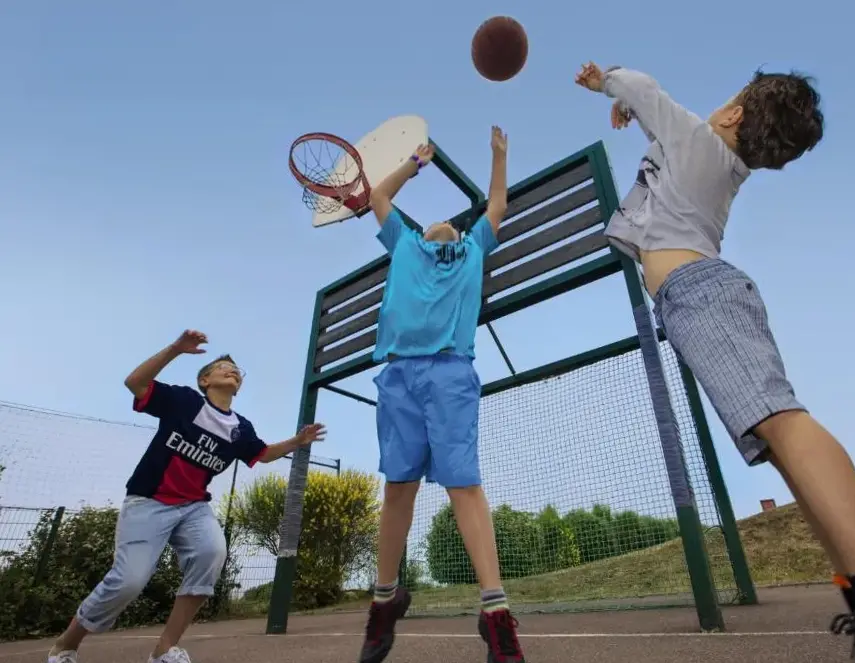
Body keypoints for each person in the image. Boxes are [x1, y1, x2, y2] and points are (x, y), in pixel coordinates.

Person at [575, 62, 855, 662]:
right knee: (777, 440)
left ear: (733, 114)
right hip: (696, 297)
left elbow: (646, 91)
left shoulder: (696, 142)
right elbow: (658, 131)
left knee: (782, 422)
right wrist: (633, 110)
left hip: (699, 293)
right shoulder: (711, 160)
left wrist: (608, 81)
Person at [47, 330, 327, 663]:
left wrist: (297, 441)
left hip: (194, 507)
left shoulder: (241, 428)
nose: (232, 371)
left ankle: (164, 649)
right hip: (149, 501)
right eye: (222, 367)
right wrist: (175, 349)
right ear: (205, 380)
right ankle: (66, 644)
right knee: (128, 582)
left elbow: (262, 454)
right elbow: (134, 383)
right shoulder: (184, 401)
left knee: (211, 553)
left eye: (236, 370)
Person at [358, 126, 525, 663]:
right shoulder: (405, 245)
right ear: (421, 234)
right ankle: (384, 600)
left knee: (464, 485)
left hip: (451, 372)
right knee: (398, 486)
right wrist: (414, 165)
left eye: (451, 223)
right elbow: (378, 197)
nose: (443, 224)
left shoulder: (473, 249)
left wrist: (499, 155)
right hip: (400, 376)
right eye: (435, 224)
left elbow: (497, 204)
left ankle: (495, 611)